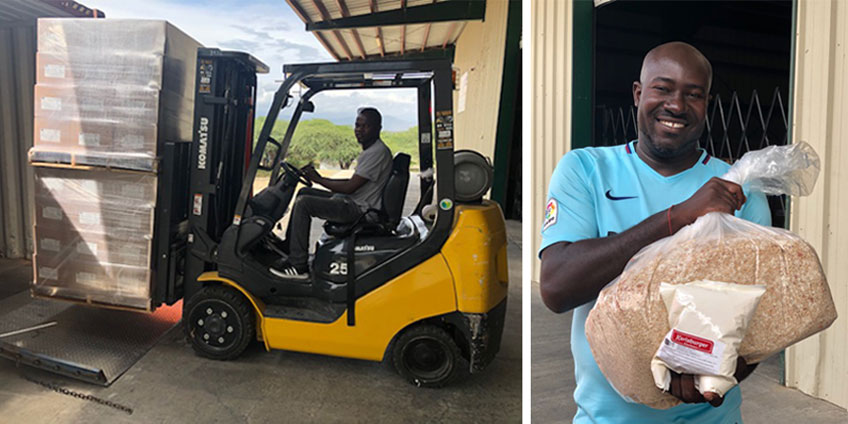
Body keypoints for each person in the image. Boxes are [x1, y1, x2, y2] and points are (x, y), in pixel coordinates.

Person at [539, 42, 772, 423]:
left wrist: (715, 373)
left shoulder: (739, 191)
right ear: (638, 94)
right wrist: (677, 217)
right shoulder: (585, 169)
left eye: (693, 95)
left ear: (706, 104)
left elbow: (763, 319)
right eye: (663, 89)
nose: (677, 106)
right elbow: (557, 287)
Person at [271, 107, 392, 279]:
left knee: (304, 203)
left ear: (378, 128)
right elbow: (352, 183)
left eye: (365, 126)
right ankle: (291, 249)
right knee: (304, 192)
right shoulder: (371, 151)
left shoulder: (377, 152)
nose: (359, 130)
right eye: (357, 125)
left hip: (359, 209)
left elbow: (350, 188)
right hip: (353, 201)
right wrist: (318, 178)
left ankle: (298, 266)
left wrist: (319, 180)